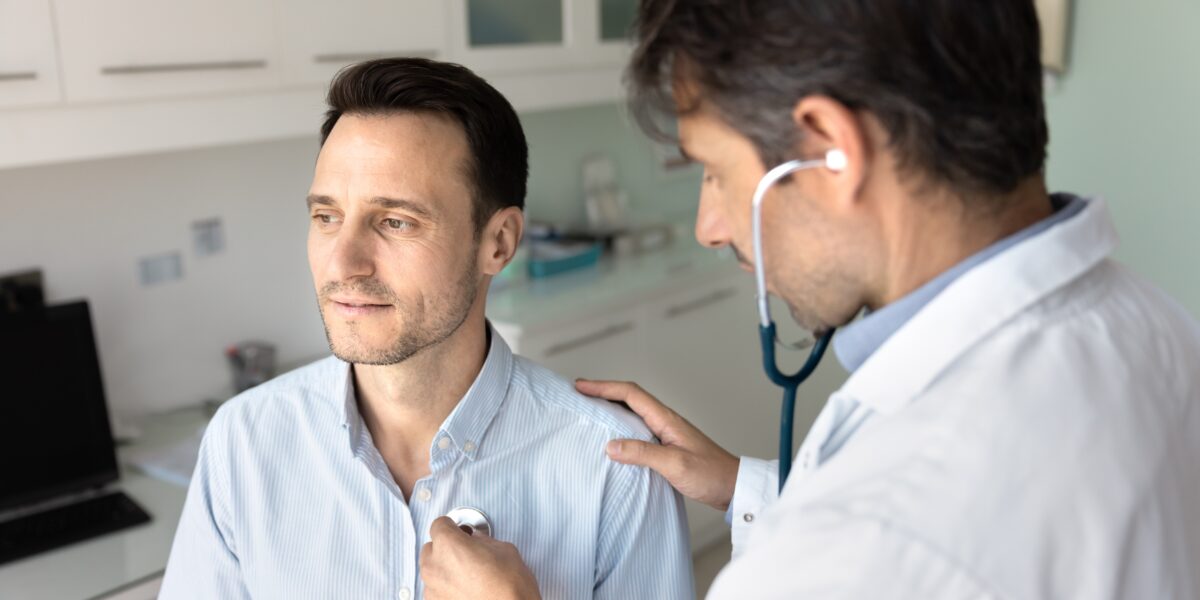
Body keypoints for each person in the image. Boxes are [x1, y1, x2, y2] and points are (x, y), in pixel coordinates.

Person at [418, 1, 1200, 597]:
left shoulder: (869, 542)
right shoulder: (1156, 326)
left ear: (831, 151)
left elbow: (893, 539)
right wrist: (747, 490)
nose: (710, 227)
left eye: (715, 171)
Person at [159, 58, 693, 600]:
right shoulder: (243, 441)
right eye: (327, 217)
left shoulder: (617, 468)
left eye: (396, 221)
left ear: (499, 243)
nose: (343, 264)